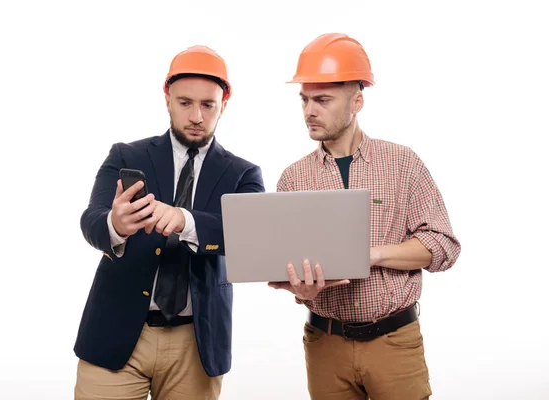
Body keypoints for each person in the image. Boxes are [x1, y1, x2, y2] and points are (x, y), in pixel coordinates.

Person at [269, 33, 461, 400]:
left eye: (322, 100)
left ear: (357, 101)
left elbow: (444, 247)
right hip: (325, 345)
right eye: (305, 99)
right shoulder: (294, 178)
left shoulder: (402, 163)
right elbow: (291, 262)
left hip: (394, 343)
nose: (309, 110)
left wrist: (372, 254)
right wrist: (301, 290)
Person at [73, 45, 265, 400]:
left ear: (225, 102)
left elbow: (248, 236)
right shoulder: (125, 155)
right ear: (167, 97)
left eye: (208, 105)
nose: (196, 116)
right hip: (116, 334)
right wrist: (115, 224)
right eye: (185, 103)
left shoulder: (243, 174)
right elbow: (91, 221)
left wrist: (185, 220)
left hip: (196, 343)